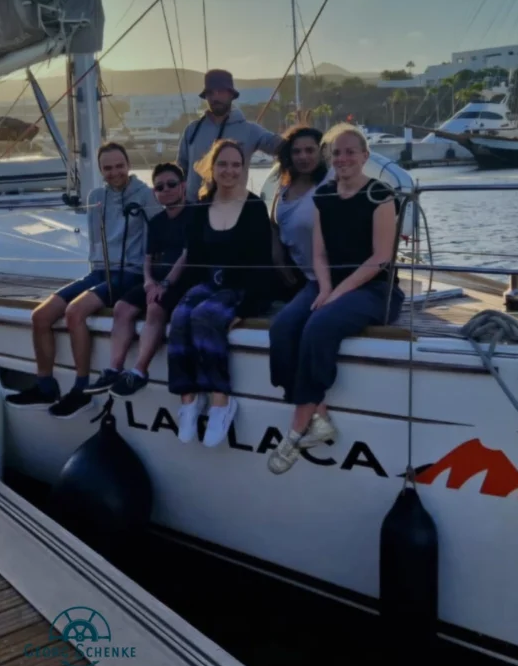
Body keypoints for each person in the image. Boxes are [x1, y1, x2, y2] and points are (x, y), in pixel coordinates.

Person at [267, 124, 404, 474]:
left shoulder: (380, 196)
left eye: (350, 152)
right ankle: (320, 412)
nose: (343, 158)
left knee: (319, 325)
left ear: (364, 156)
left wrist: (339, 293)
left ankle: (298, 425)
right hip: (330, 284)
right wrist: (326, 289)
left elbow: (380, 259)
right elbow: (319, 254)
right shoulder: (324, 197)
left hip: (375, 289)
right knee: (283, 327)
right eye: (337, 153)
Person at [6, 142, 154, 417]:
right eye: (107, 168)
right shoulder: (97, 196)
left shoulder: (146, 195)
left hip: (129, 273)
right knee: (40, 316)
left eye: (119, 166)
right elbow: (96, 242)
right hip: (98, 271)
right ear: (100, 170)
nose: (114, 172)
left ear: (128, 165)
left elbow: (154, 239)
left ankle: (81, 389)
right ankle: (46, 385)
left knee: (75, 312)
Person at [167, 138, 277, 447]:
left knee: (206, 316)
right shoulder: (202, 207)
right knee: (180, 316)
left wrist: (245, 310)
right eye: (223, 164)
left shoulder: (254, 207)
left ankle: (220, 399)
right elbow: (195, 262)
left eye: (235, 165)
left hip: (242, 285)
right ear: (211, 169)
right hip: (210, 283)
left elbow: (262, 264)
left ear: (243, 169)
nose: (229, 171)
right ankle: (188, 399)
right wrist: (173, 295)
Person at [89, 162, 191, 398]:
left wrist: (164, 285)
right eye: (160, 187)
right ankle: (114, 368)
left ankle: (139, 371)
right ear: (155, 192)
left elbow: (187, 256)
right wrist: (148, 281)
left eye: (171, 184)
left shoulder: (194, 215)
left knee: (155, 308)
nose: (166, 190)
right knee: (122, 308)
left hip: (185, 281)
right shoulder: (156, 222)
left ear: (183, 186)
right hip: (157, 281)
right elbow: (148, 257)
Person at [177, 69, 283, 201]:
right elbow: (182, 170)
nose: (215, 97)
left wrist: (301, 135)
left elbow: (284, 147)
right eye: (210, 93)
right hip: (194, 211)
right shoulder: (191, 130)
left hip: (232, 211)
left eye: (221, 92)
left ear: (231, 95)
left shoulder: (250, 130)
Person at [269, 125, 328, 295]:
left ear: (321, 152)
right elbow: (274, 225)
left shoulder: (330, 186)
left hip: (323, 277)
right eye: (296, 151)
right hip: (293, 274)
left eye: (310, 150)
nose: (303, 156)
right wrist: (278, 262)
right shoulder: (283, 188)